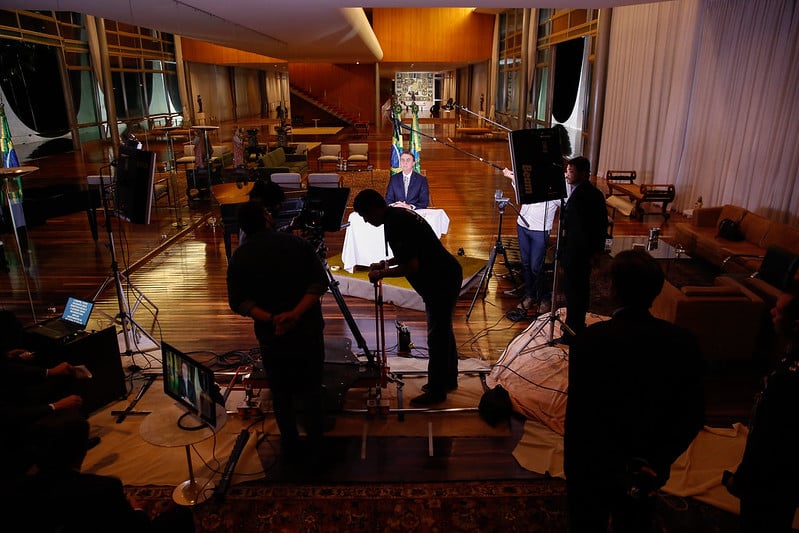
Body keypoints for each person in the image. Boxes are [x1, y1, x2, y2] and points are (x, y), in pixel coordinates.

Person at [564, 249, 705, 533]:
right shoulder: (684, 342)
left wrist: (575, 470)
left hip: (594, 466)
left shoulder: (590, 341)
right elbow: (691, 414)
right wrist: (659, 461)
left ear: (613, 289)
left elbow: (580, 416)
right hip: (648, 464)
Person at [226, 201, 328, 463]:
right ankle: (317, 442)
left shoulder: (240, 256)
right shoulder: (297, 245)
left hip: (273, 334)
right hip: (307, 328)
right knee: (312, 387)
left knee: (281, 391)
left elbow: (239, 301)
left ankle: (290, 444)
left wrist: (273, 319)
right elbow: (319, 283)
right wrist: (295, 314)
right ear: (267, 218)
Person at [353, 189, 462, 406]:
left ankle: (437, 391)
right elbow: (412, 251)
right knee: (443, 331)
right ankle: (448, 379)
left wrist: (381, 273)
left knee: (437, 336)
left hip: (440, 279)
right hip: (446, 274)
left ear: (374, 209)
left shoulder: (395, 224)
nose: (366, 222)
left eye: (365, 216)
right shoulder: (398, 216)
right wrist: (386, 263)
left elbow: (411, 266)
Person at [6, 415, 195, 532]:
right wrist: (137, 509)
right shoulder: (104, 488)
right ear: (82, 451)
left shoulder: (15, 488)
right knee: (181, 515)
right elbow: (134, 528)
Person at [724, 266, 799, 532]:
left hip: (771, 478)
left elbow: (767, 438)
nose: (771, 312)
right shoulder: (790, 361)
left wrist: (743, 479)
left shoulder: (787, 380)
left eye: (778, 310)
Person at [558, 156, 608, 343]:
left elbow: (594, 226)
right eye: (567, 171)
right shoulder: (585, 192)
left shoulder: (586, 195)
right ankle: (575, 326)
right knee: (576, 291)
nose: (567, 174)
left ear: (583, 173)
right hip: (578, 251)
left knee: (575, 293)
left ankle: (573, 331)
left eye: (571, 171)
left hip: (578, 253)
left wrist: (590, 253)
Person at [502, 167, 561, 317]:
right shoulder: (532, 179)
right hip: (522, 226)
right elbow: (521, 196)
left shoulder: (557, 185)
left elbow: (566, 203)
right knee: (526, 264)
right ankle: (530, 295)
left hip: (540, 231)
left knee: (536, 266)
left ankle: (545, 298)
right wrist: (514, 179)